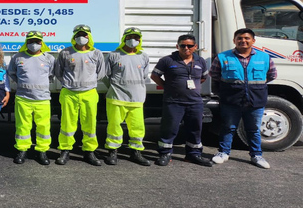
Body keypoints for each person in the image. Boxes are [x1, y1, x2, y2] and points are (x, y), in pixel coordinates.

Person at [209, 28, 276, 169]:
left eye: (246, 38)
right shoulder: (223, 57)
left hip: (255, 100)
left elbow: (271, 75)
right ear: (234, 41)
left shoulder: (264, 57)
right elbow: (214, 75)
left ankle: (257, 155)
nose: (243, 41)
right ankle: (223, 152)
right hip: (231, 99)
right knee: (228, 127)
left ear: (253, 41)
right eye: (239, 38)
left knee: (253, 129)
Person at [151, 34, 212, 167]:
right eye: (182, 45)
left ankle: (193, 154)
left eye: (190, 46)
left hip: (195, 102)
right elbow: (155, 75)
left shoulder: (200, 61)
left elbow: (203, 77)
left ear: (195, 47)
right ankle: (165, 153)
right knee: (169, 128)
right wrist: (168, 86)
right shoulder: (167, 60)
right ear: (177, 46)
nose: (186, 48)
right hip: (173, 101)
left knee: (195, 129)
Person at [54, 25, 105, 166]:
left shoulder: (96, 53)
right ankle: (65, 150)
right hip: (69, 93)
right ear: (74, 36)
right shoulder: (65, 53)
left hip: (89, 93)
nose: (81, 37)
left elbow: (101, 73)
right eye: (78, 34)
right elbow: (58, 73)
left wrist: (87, 82)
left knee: (90, 124)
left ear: (89, 36)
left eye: (85, 34)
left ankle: (89, 151)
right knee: (67, 123)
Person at [103, 27, 151, 166]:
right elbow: (105, 76)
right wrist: (114, 87)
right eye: (130, 37)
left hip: (136, 99)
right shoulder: (114, 55)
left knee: (137, 127)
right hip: (116, 98)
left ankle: (136, 152)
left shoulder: (143, 56)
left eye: (136, 38)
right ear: (124, 39)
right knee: (114, 126)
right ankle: (113, 151)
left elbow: (144, 76)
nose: (133, 41)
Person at [8, 31, 55, 165]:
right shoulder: (18, 57)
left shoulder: (49, 58)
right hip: (23, 98)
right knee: (23, 126)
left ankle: (42, 151)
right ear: (26, 42)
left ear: (42, 42)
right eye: (31, 41)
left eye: (37, 41)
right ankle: (22, 150)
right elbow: (12, 73)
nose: (34, 44)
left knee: (43, 127)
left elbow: (51, 75)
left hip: (43, 99)